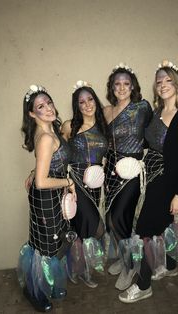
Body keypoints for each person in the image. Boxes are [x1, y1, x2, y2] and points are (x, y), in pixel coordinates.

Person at [119, 60, 178, 303]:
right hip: (151, 178)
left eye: (168, 80)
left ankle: (143, 285)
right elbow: (143, 143)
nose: (163, 85)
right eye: (159, 82)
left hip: (169, 182)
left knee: (144, 229)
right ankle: (171, 264)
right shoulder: (155, 113)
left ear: (177, 83)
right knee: (162, 223)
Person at [17, 85, 76, 312]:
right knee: (45, 247)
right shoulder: (45, 138)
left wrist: (34, 171)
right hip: (45, 197)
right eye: (41, 106)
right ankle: (33, 291)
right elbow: (42, 182)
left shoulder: (52, 132)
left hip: (53, 195)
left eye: (49, 102)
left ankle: (49, 284)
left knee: (55, 241)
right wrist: (68, 183)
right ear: (32, 114)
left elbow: (45, 167)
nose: (49, 108)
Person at [103, 63, 153, 290]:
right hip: (110, 169)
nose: (121, 88)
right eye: (117, 84)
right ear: (111, 87)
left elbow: (155, 135)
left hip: (132, 168)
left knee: (121, 218)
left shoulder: (142, 107)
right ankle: (125, 258)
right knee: (111, 218)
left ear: (132, 86)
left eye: (126, 83)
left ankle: (131, 265)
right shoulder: (105, 110)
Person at [61, 81, 108, 288]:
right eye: (82, 102)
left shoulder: (104, 126)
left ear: (95, 101)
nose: (87, 104)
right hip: (75, 183)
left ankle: (77, 269)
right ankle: (85, 271)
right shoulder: (69, 126)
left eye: (90, 99)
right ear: (77, 105)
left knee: (81, 228)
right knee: (90, 225)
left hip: (97, 183)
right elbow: (58, 154)